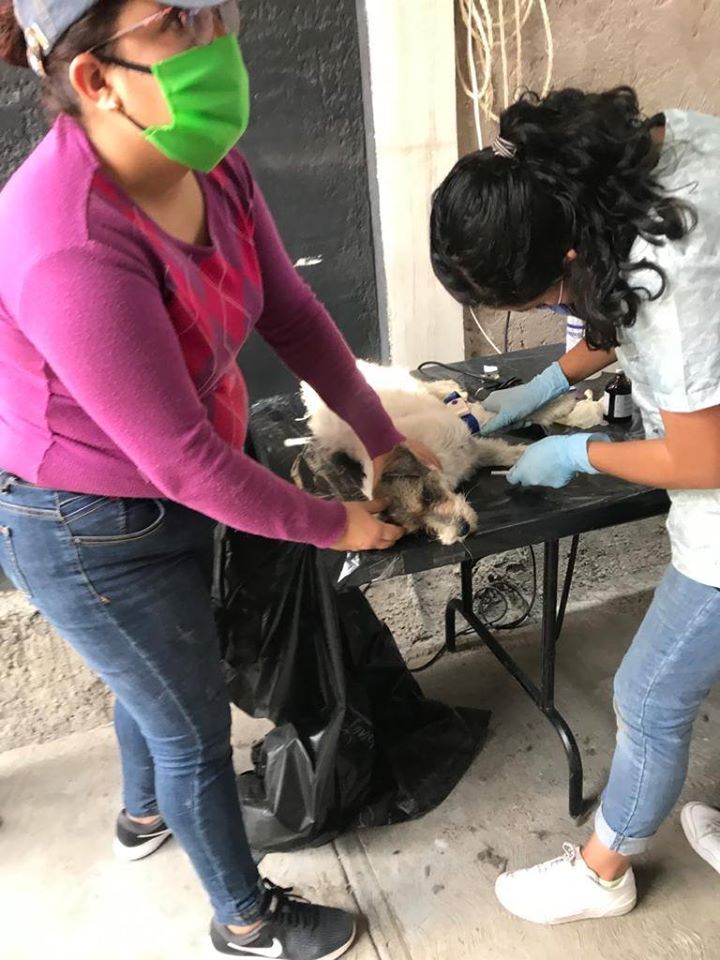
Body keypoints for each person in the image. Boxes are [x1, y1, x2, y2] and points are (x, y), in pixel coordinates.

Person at [0, 2, 438, 956]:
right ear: (95, 78)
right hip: (87, 523)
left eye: (215, 11)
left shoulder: (208, 161)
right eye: (175, 22)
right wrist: (338, 525)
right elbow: (182, 461)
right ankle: (246, 919)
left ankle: (140, 819)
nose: (214, 43)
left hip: (176, 480)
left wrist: (382, 438)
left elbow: (291, 308)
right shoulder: (64, 237)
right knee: (191, 722)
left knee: (156, 669)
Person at [430, 86, 720, 924]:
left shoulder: (671, 276)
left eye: (532, 305)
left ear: (563, 264)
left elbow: (702, 453)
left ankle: (602, 873)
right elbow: (614, 301)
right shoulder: (635, 163)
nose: (544, 316)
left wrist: (576, 451)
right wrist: (539, 388)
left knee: (650, 694)